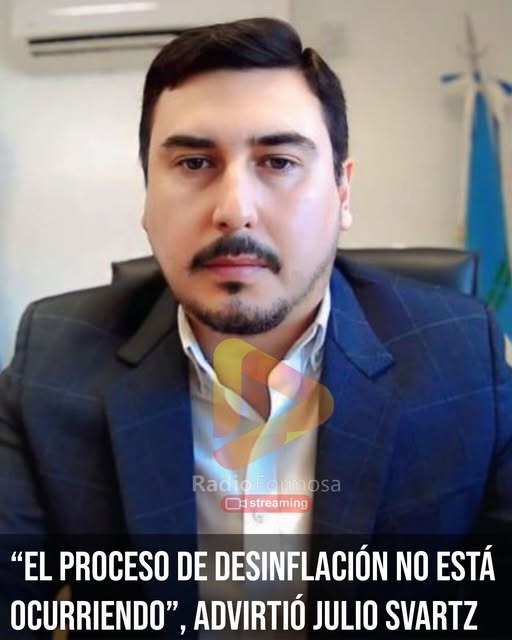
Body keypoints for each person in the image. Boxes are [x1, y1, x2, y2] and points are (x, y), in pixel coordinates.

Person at [0, 16, 511, 621]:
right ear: (147, 197)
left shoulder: (463, 360)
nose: (235, 210)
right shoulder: (52, 362)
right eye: (194, 163)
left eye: (279, 161)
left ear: (343, 193)